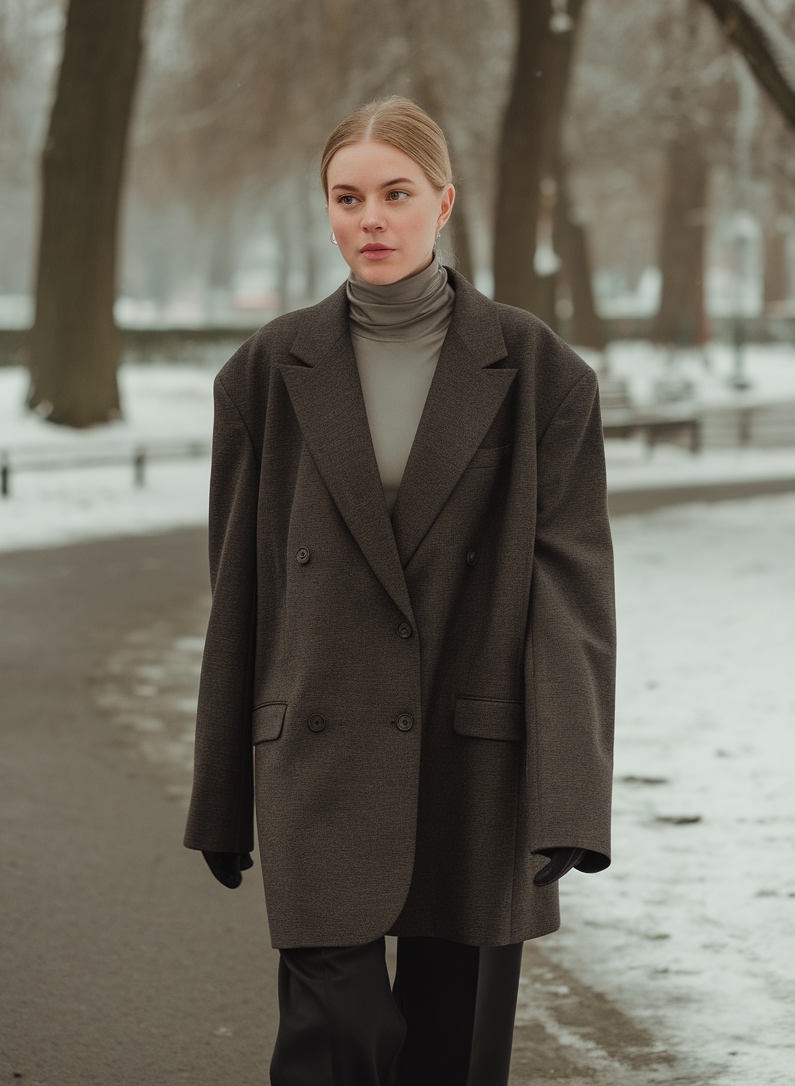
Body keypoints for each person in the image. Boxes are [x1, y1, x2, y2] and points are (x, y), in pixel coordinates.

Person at [184, 95, 616, 1086]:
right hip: (317, 755)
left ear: (442, 202)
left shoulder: (540, 373)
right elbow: (238, 590)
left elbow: (570, 594)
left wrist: (570, 794)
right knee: (339, 1045)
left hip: (473, 752)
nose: (369, 218)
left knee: (450, 1055)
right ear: (325, 210)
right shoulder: (264, 374)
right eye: (346, 196)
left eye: (394, 193)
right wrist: (220, 791)